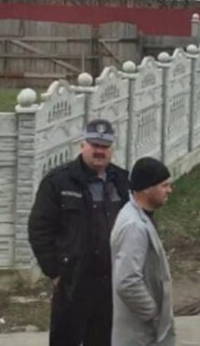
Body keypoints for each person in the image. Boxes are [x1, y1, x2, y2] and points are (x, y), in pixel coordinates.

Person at [28, 119, 130, 346]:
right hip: (73, 282)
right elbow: (39, 228)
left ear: (112, 149)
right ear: (82, 145)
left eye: (104, 146)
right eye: (93, 144)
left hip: (111, 281)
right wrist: (55, 271)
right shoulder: (59, 182)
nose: (99, 151)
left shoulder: (122, 181)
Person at [111, 157, 175, 346]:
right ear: (147, 188)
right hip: (140, 334)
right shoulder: (134, 226)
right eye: (164, 185)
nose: (169, 190)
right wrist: (153, 314)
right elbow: (127, 282)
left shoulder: (138, 216)